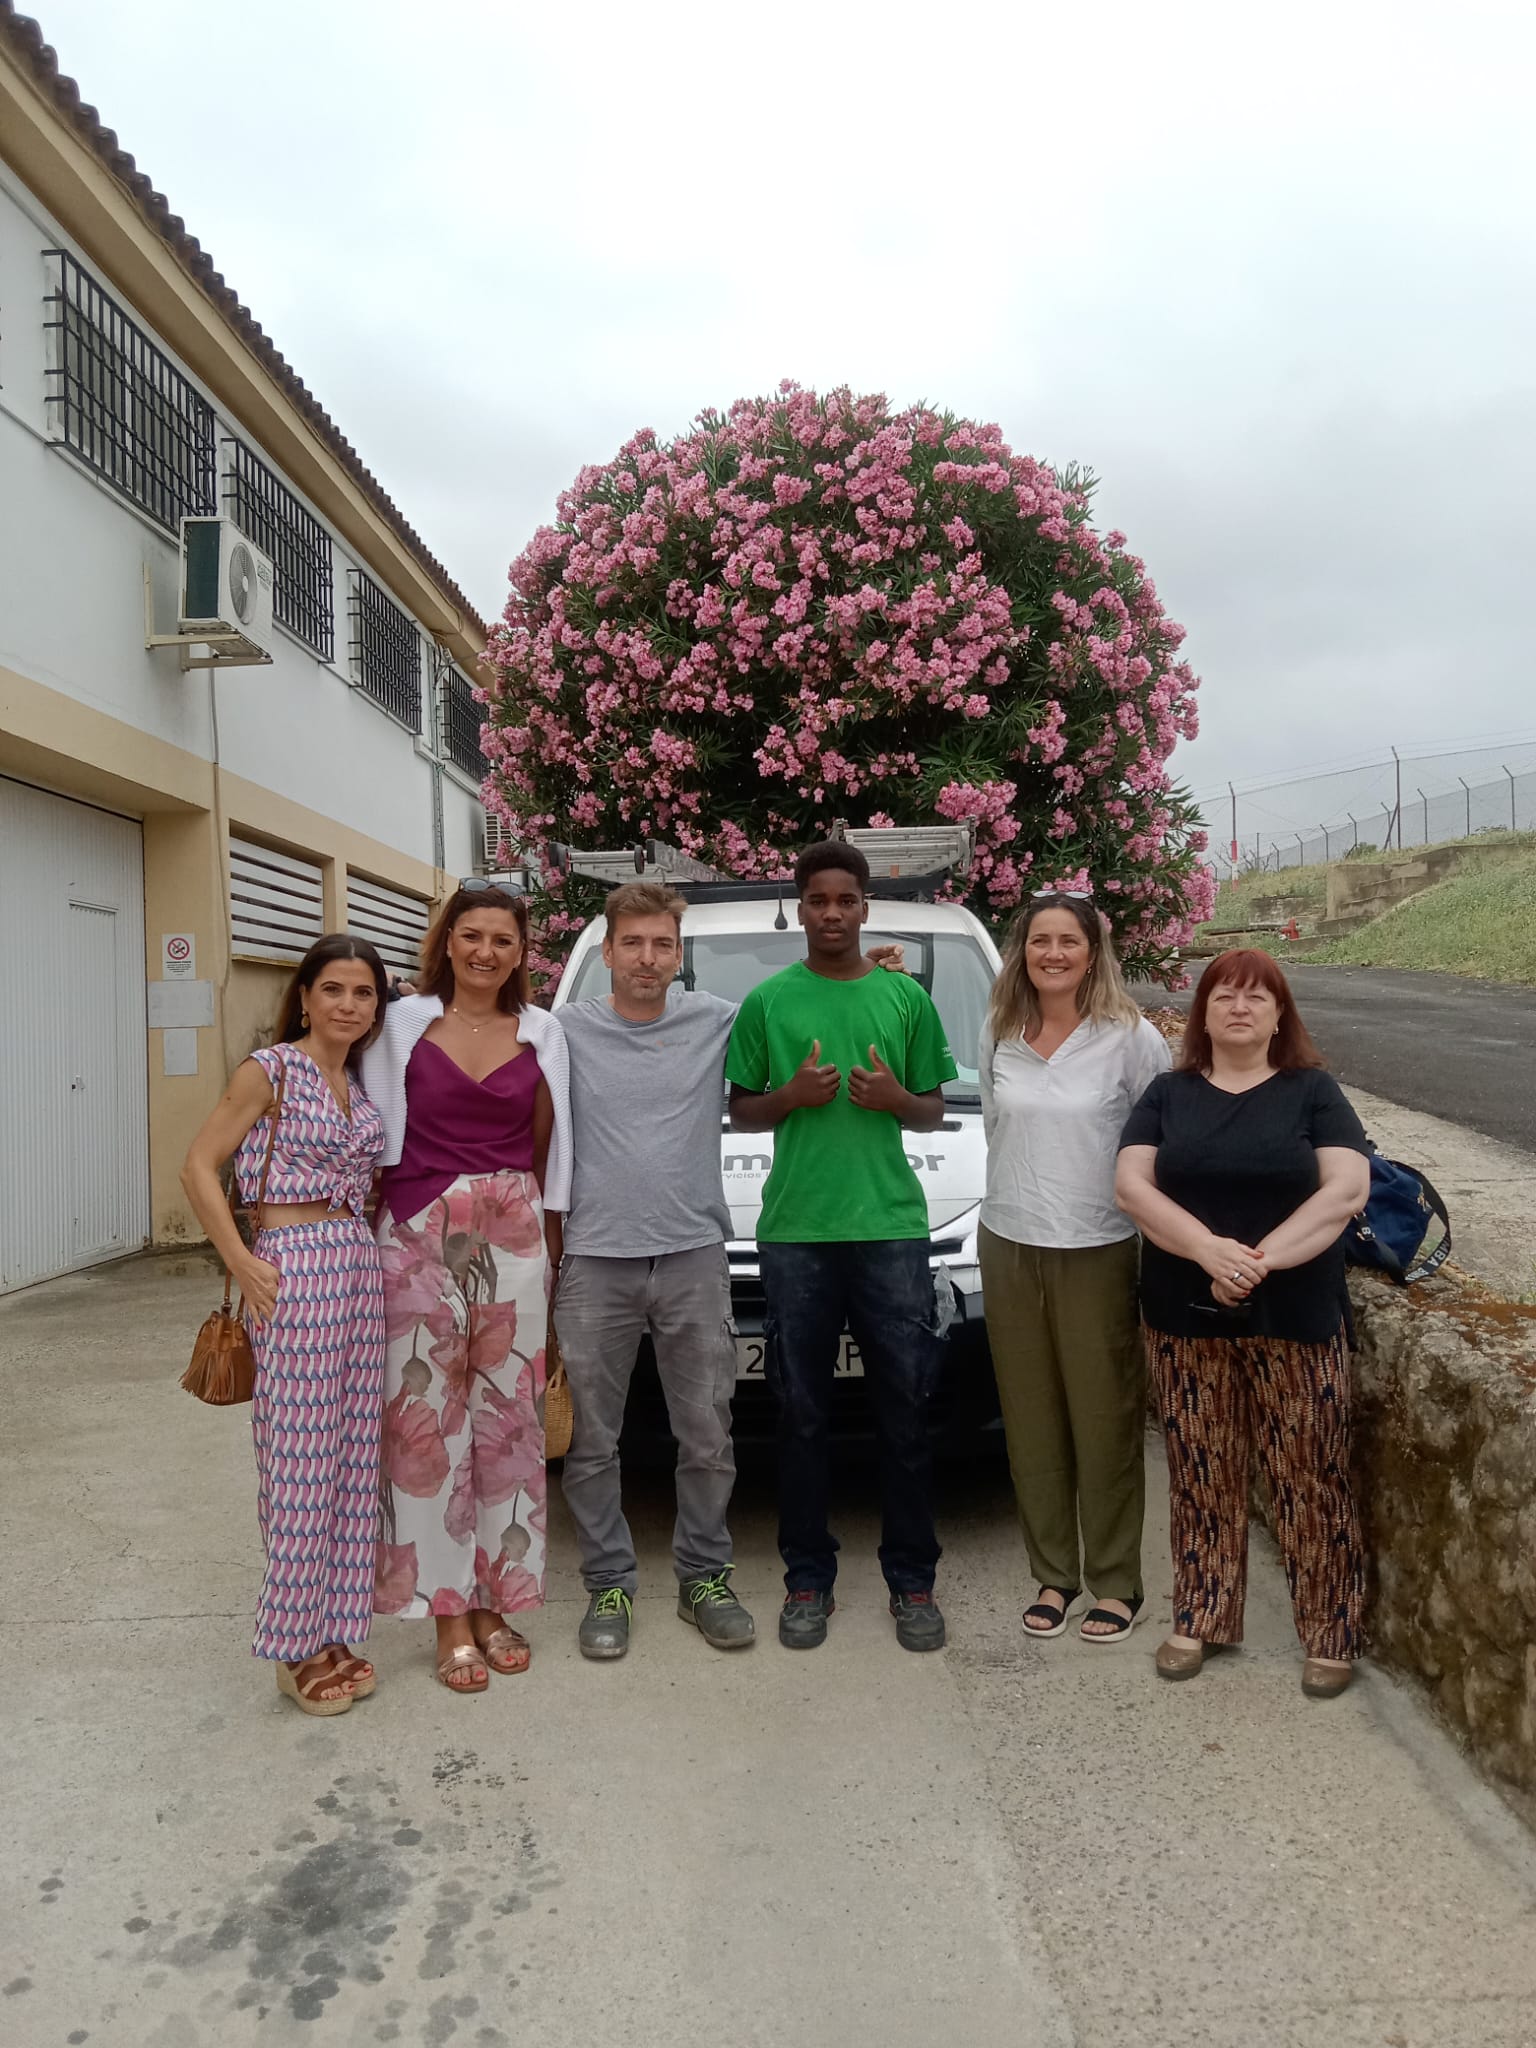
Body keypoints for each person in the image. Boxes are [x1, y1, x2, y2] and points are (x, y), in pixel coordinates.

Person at [1114, 949, 1372, 1698]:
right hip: (1184, 1315)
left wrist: (1256, 1263)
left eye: (1257, 997)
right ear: (1202, 1013)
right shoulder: (1169, 1094)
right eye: (1223, 995)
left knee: (1311, 1473)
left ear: (1280, 1014)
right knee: (1202, 1471)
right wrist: (1205, 1251)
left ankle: (1330, 1631)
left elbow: (1345, 1188)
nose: (1239, 1007)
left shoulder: (1313, 1092)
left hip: (1295, 1312)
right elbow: (1132, 1184)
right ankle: (1201, 1616)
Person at [726, 840, 958, 1653]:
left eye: (846, 900)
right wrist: (789, 1096)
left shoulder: (903, 999)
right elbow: (742, 1106)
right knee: (801, 1416)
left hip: (892, 1228)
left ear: (865, 908)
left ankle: (912, 1580)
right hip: (795, 1233)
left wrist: (896, 1098)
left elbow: (932, 1106)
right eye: (818, 899)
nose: (832, 913)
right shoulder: (768, 1002)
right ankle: (807, 1580)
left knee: (905, 1413)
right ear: (802, 908)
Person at [362, 884, 571, 1693]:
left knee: (509, 1424)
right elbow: (374, 1133)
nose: (486, 952)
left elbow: (553, 1148)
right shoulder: (404, 1025)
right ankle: (448, 1610)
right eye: (471, 936)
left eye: (503, 941)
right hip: (417, 1231)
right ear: (446, 941)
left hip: (513, 1227)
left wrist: (552, 1249)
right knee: (429, 1418)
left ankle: (497, 1600)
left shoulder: (543, 1032)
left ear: (523, 953)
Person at [180, 935, 389, 1717]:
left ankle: (335, 1628)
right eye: (332, 989)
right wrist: (239, 1259)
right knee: (299, 1463)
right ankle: (294, 1646)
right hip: (292, 1267)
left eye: (362, 994)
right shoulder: (268, 1070)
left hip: (357, 1267)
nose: (347, 1005)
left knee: (350, 1458)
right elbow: (199, 1164)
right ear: (303, 997)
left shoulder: (357, 1080)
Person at [554, 882, 754, 1659]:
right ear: (607, 950)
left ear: (680, 953)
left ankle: (705, 1577)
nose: (647, 957)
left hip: (694, 1257)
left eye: (662, 944)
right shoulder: (563, 1030)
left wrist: (882, 976)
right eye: (632, 943)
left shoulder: (716, 1021)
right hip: (594, 1261)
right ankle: (608, 1584)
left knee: (706, 1430)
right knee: (593, 1439)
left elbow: (802, 1018)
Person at [977, 892, 1170, 1644]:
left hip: (1098, 1245)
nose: (1052, 954)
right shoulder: (1000, 1031)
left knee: (1105, 1420)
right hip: (1010, 1239)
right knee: (1031, 1424)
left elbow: (1158, 1144)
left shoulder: (1130, 1038)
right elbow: (997, 1129)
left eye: (1068, 942)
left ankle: (1117, 1583)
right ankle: (1053, 1576)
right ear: (1021, 951)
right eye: (1039, 941)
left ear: (1093, 953)